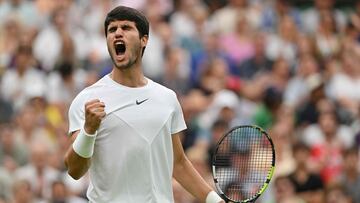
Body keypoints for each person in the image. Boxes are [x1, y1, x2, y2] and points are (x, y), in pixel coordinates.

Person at [64, 6, 224, 203]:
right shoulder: (86, 100)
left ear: (144, 40)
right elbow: (74, 170)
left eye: (126, 28)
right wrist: (89, 130)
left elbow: (178, 163)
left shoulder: (167, 98)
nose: (117, 33)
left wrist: (215, 200)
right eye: (112, 30)